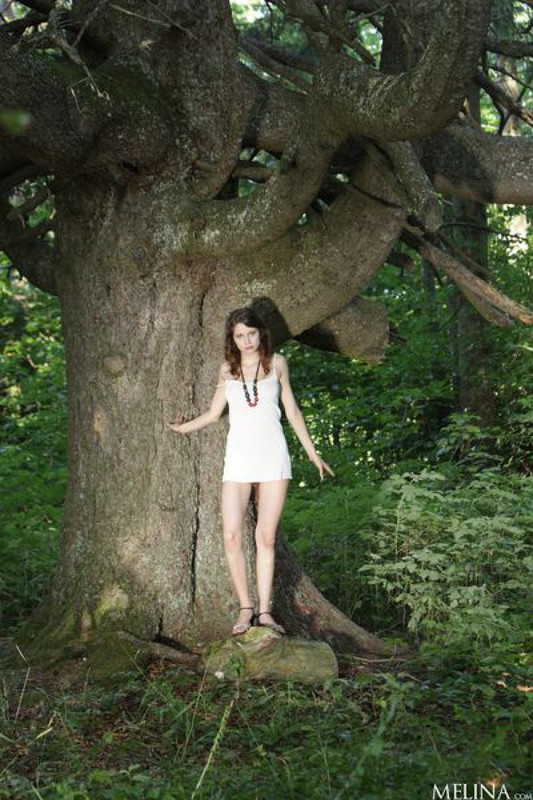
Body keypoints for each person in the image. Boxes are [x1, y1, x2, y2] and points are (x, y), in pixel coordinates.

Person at [168, 307, 334, 636]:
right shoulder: (227, 370)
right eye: (240, 335)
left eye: (251, 333)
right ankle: (246, 607)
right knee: (231, 534)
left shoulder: (278, 363)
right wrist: (182, 428)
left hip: (273, 456)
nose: (246, 341)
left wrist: (312, 453)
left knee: (265, 537)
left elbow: (292, 411)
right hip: (239, 459)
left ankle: (265, 612)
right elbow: (214, 413)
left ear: (261, 333)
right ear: (232, 339)